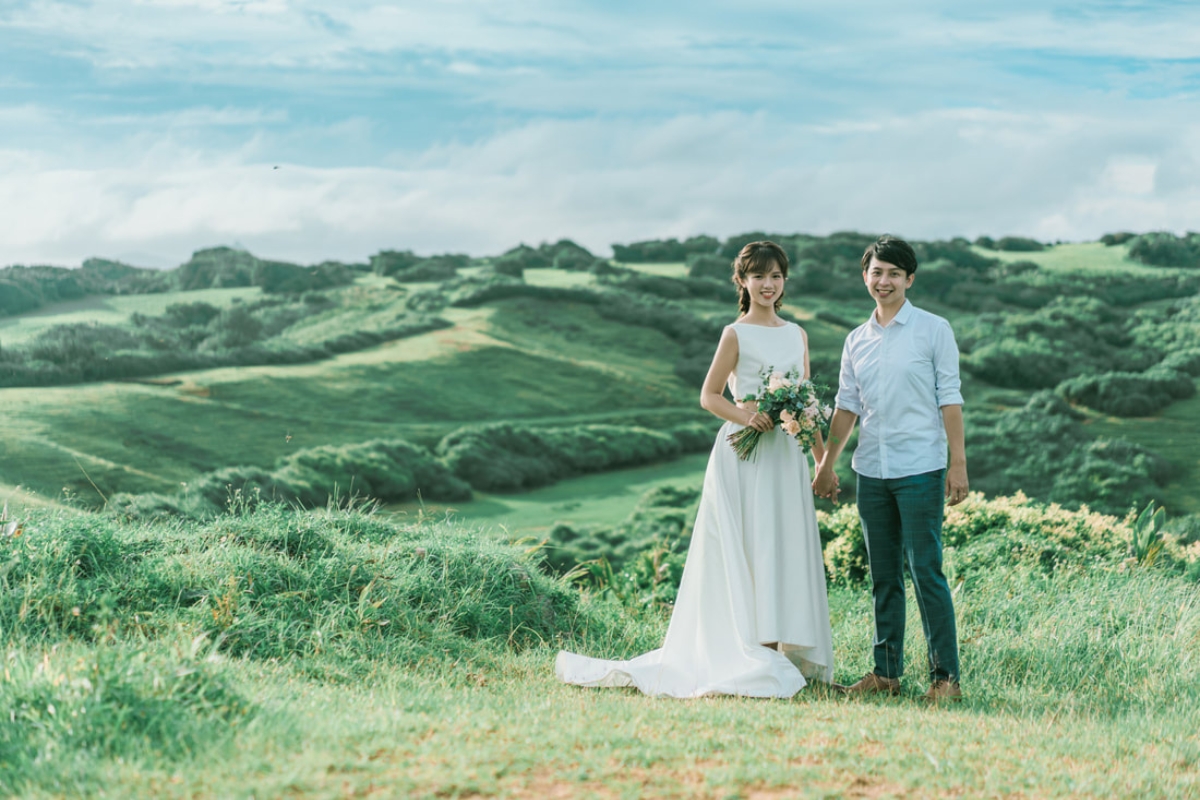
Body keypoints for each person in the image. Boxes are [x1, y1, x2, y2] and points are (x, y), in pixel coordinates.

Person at [555, 241, 835, 697]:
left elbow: (807, 405)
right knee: (750, 544)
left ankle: (784, 648)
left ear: (785, 281)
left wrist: (822, 460)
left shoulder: (797, 334)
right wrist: (748, 417)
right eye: (759, 276)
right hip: (744, 453)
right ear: (743, 281)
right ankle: (753, 649)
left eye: (777, 276)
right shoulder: (735, 333)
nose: (768, 284)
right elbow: (709, 396)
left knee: (782, 542)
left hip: (785, 454)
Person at [811, 234, 968, 702]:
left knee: (926, 571)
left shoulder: (933, 329)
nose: (884, 281)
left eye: (894, 273)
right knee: (883, 576)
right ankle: (886, 673)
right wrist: (825, 464)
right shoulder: (855, 340)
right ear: (865, 277)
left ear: (909, 279)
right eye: (876, 272)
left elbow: (950, 398)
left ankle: (946, 680)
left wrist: (957, 465)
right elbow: (846, 407)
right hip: (871, 471)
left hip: (921, 466)